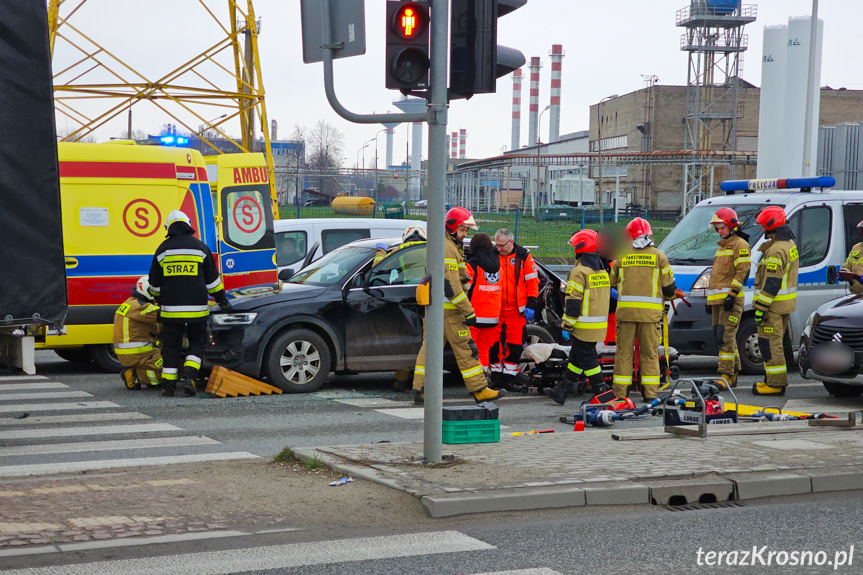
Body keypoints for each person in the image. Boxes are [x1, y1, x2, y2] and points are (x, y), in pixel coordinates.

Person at [411, 207, 505, 405]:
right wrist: (468, 311)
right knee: (466, 349)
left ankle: (421, 389)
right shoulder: (448, 247)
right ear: (453, 227)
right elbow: (451, 285)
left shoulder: (447, 245)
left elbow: (458, 277)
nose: (465, 235)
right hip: (451, 312)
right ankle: (480, 389)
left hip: (438, 309)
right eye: (463, 230)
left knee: (429, 349)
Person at [148, 210, 232, 397]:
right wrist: (223, 301)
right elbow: (213, 282)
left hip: (170, 312)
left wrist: (161, 301)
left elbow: (153, 285)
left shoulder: (162, 250)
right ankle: (189, 376)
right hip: (197, 311)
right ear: (188, 224)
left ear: (169, 228)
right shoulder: (200, 248)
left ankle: (168, 386)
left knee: (171, 346)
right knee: (197, 341)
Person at [610, 217, 678, 402]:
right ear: (649, 235)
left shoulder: (621, 257)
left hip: (625, 315)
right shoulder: (659, 257)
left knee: (623, 354)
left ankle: (620, 394)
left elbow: (612, 283)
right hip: (650, 317)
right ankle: (650, 395)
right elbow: (670, 290)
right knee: (650, 354)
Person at [547, 229, 611, 405]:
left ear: (580, 249)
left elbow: (574, 302)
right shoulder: (602, 272)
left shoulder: (579, 272)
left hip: (583, 326)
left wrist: (567, 325)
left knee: (589, 360)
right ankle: (562, 391)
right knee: (576, 358)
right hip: (597, 325)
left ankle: (601, 391)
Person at [372, 223, 427, 391]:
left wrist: (381, 251)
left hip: (409, 300)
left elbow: (379, 267)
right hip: (429, 300)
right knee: (426, 344)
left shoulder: (402, 250)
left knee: (410, 340)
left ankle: (400, 379)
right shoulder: (432, 249)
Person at [751, 206, 798, 396]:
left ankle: (775, 384)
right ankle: (772, 380)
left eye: (763, 226)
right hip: (783, 305)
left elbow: (771, 283)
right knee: (777, 343)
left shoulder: (776, 250)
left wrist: (760, 308)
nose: (761, 230)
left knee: (770, 344)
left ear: (772, 225)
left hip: (772, 306)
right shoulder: (788, 244)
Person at [489, 228, 540, 391]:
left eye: (501, 245)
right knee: (493, 346)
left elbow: (532, 282)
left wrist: (532, 305)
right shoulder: (492, 255)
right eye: (496, 245)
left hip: (516, 311)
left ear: (511, 242)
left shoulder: (524, 257)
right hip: (495, 310)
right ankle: (497, 379)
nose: (499, 248)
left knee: (515, 346)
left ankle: (508, 379)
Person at [706, 208, 751, 389]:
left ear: (732, 225)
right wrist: (711, 301)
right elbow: (717, 277)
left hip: (730, 301)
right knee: (723, 337)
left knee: (725, 337)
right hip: (719, 301)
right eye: (717, 228)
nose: (719, 231)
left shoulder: (740, 245)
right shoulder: (722, 246)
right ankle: (733, 374)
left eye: (722, 227)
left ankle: (725, 375)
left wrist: (732, 295)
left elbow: (743, 272)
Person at [113, 275, 162, 390]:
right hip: (139, 353)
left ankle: (133, 371)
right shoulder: (141, 307)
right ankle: (140, 375)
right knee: (171, 368)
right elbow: (164, 315)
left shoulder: (130, 303)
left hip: (127, 354)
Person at [464, 233, 502, 375]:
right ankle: (483, 376)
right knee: (484, 349)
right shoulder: (499, 265)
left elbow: (465, 289)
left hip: (474, 315)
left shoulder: (472, 264)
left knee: (471, 351)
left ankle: (475, 381)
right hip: (492, 316)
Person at [840, 219, 863, 296]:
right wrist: (843, 273)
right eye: (861, 230)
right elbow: (847, 266)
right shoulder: (856, 248)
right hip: (856, 295)